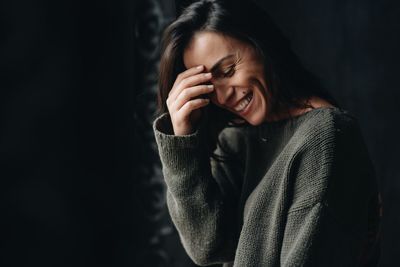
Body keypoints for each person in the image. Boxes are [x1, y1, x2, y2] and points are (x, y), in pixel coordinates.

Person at [152, 0, 382, 266]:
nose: (223, 96)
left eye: (227, 71)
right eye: (209, 88)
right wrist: (182, 141)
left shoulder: (326, 136)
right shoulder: (235, 141)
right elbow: (206, 247)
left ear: (262, 44)